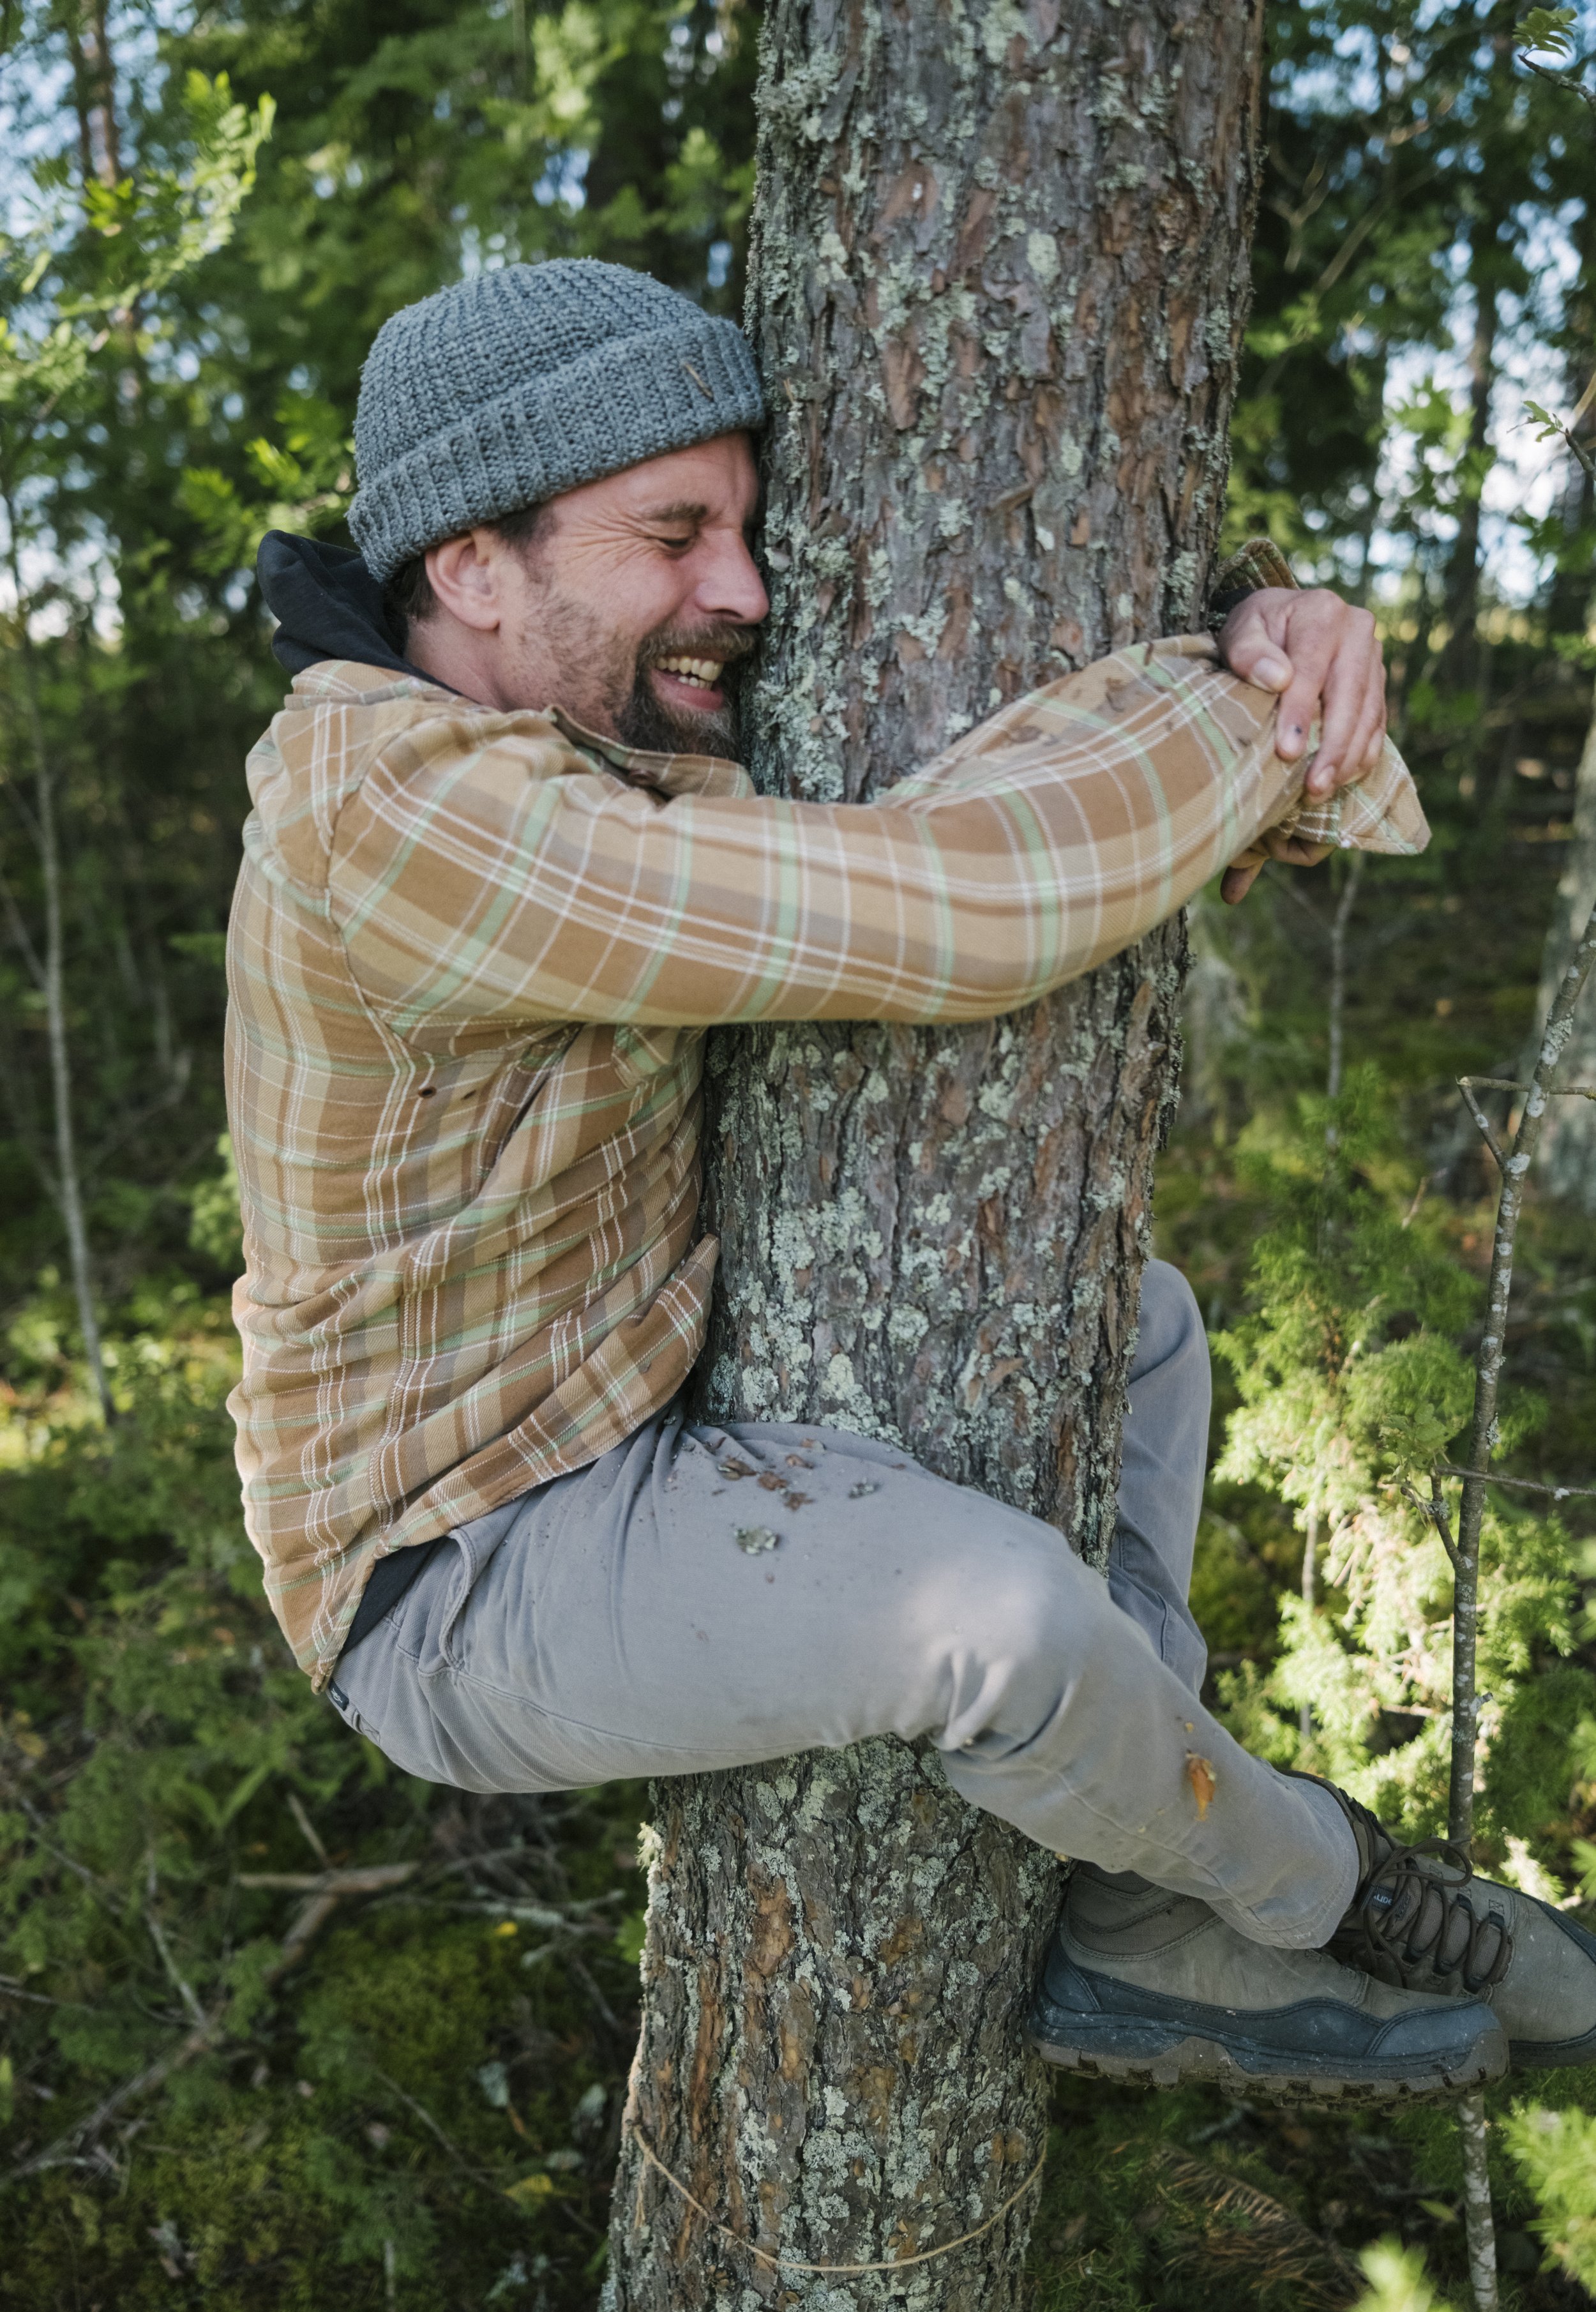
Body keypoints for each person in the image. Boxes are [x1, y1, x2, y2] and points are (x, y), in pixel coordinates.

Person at [230, 259, 1595, 2101]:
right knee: (1001, 1629)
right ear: (471, 566)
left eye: (749, 532)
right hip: (458, 1569)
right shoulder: (402, 812)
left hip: (633, 1409)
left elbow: (980, 754)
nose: (747, 593)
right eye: (673, 537)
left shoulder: (588, 733)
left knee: (1133, 1327)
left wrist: (1250, 611)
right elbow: (964, 907)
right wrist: (1254, 712)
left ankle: (1129, 1898)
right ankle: (1327, 1892)